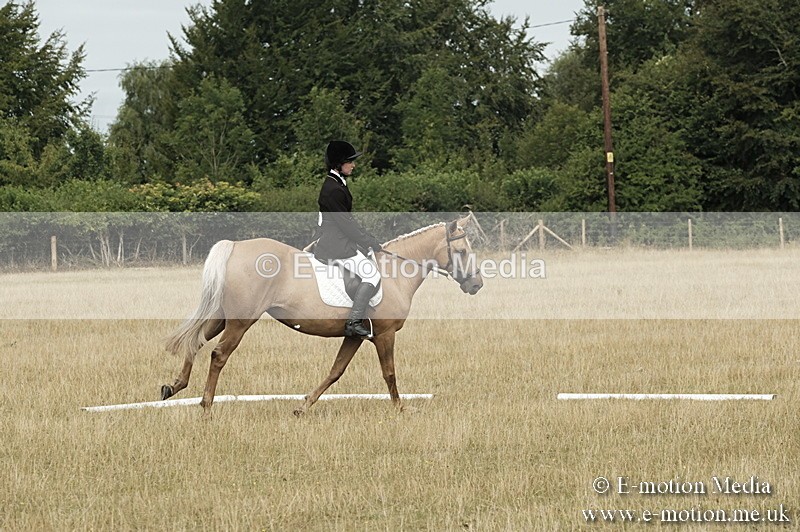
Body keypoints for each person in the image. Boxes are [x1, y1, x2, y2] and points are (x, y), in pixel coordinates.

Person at [314, 140, 383, 338]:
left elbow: (347, 221)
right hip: (336, 245)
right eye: (349, 162)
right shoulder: (334, 189)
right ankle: (353, 322)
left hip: (339, 240)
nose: (353, 165)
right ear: (338, 164)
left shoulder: (336, 183)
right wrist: (368, 241)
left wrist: (366, 238)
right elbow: (346, 224)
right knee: (372, 275)